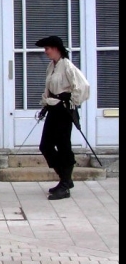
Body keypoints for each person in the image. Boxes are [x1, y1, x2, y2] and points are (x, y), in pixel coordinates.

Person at [36, 35, 90, 201]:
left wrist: (70, 101)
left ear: (56, 48)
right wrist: (46, 105)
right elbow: (49, 89)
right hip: (54, 109)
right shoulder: (51, 66)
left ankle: (65, 185)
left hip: (64, 112)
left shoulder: (67, 65)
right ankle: (65, 178)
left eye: (47, 48)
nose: (46, 52)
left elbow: (83, 86)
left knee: (63, 146)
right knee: (45, 145)